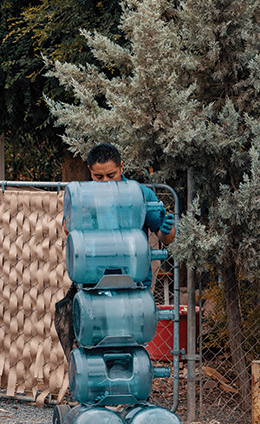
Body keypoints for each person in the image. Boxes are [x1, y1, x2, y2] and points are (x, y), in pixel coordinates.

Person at [54, 143, 176, 358]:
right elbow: (67, 227)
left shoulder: (140, 194)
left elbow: (166, 237)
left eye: (111, 175)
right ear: (90, 172)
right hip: (93, 285)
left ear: (122, 167)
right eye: (98, 177)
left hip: (133, 287)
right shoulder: (85, 196)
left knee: (127, 350)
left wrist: (168, 228)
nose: (106, 182)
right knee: (93, 349)